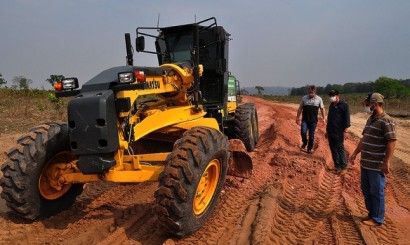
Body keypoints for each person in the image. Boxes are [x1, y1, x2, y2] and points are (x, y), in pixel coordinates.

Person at [349, 92, 397, 226]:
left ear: (375, 104)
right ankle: (371, 214)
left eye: (368, 104)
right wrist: (355, 153)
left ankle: (378, 219)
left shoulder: (387, 120)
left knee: (377, 191)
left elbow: (392, 142)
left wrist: (386, 161)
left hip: (376, 164)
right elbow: (364, 138)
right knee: (366, 189)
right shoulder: (370, 119)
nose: (367, 106)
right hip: (365, 163)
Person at [325, 89, 350, 175]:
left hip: (339, 131)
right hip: (331, 130)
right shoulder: (331, 106)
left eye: (333, 95)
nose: (331, 97)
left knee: (340, 148)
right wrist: (326, 130)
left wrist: (346, 131)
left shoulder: (344, 106)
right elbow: (329, 119)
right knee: (333, 149)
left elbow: (347, 119)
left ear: (337, 96)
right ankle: (337, 165)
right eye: (330, 96)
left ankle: (344, 167)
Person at [296, 85, 326, 154]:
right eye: (309, 92)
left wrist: (324, 118)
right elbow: (300, 108)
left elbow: (322, 109)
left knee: (311, 136)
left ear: (315, 92)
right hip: (305, 120)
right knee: (303, 132)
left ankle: (309, 149)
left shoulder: (319, 99)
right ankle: (305, 142)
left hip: (313, 121)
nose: (310, 94)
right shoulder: (304, 98)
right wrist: (297, 117)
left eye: (312, 92)